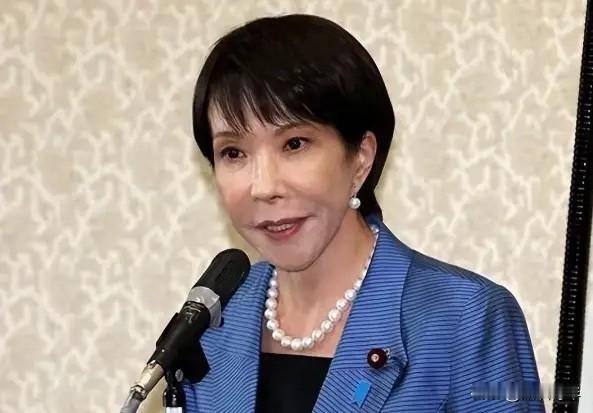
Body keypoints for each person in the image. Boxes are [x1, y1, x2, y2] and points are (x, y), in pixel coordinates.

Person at [183, 13, 545, 412]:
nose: (264, 186)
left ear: (361, 158)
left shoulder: (465, 318)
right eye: (234, 152)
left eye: (295, 144)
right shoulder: (210, 324)